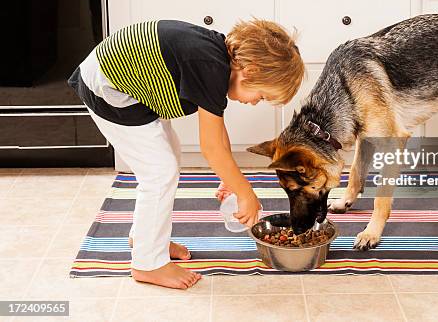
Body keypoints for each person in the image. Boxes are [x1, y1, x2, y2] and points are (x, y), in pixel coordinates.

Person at [68, 19, 304, 289]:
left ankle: (146, 237)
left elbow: (218, 135)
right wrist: (245, 193)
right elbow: (211, 147)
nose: (253, 103)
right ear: (249, 72)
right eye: (260, 96)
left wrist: (229, 178)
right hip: (108, 89)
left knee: (168, 158)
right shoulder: (211, 66)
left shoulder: (217, 60)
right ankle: (148, 264)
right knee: (159, 173)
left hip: (130, 88)